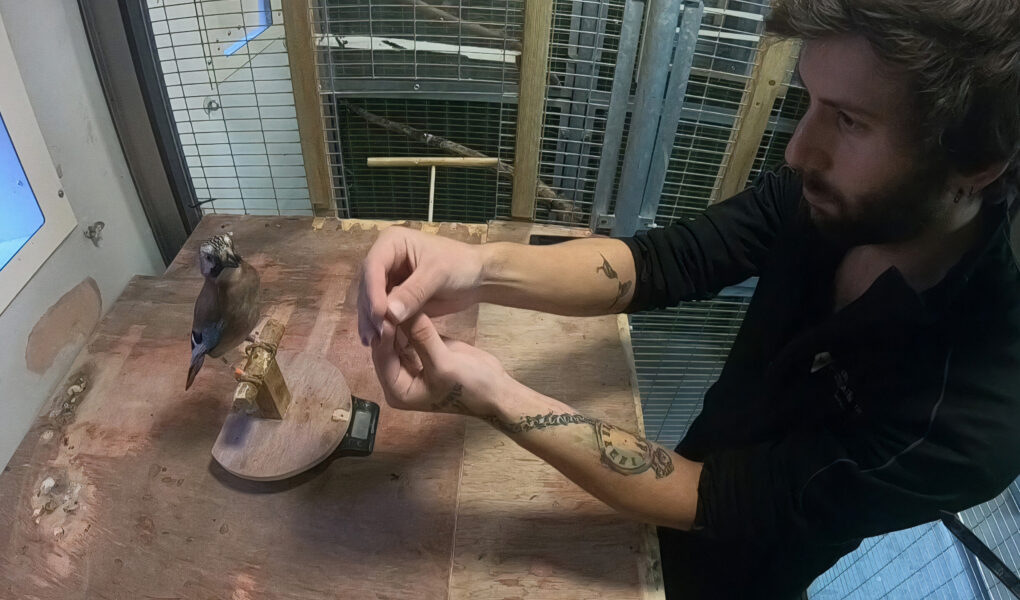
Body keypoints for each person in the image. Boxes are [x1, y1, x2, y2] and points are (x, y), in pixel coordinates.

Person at [357, 0, 1020, 597]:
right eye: (809, 100)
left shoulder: (977, 418)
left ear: (976, 166)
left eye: (850, 121)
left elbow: (707, 499)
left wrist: (491, 393)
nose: (798, 151)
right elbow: (662, 263)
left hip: (736, 573)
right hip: (682, 479)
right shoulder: (826, 196)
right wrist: (473, 266)